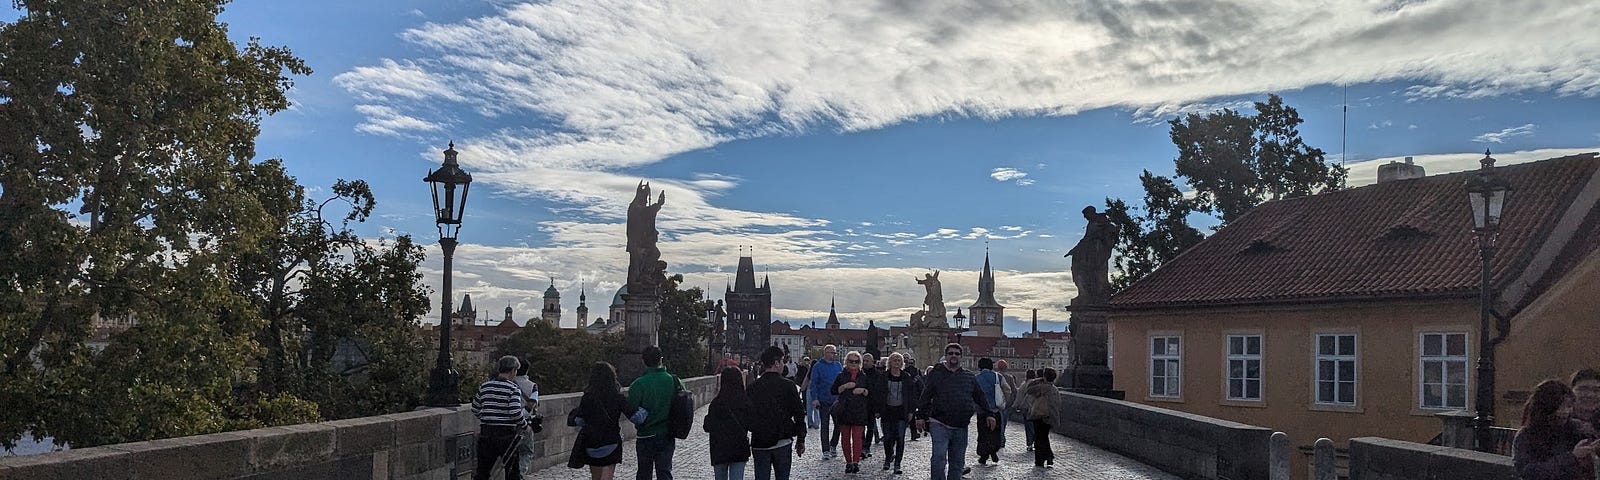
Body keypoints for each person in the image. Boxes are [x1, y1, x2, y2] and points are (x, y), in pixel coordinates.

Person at [916, 343, 995, 480]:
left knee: (957, 462)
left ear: (961, 357)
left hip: (961, 425)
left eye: (957, 354)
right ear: (946, 356)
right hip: (939, 423)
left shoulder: (969, 376)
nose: (954, 356)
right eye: (950, 353)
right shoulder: (936, 374)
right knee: (939, 458)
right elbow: (926, 395)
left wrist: (989, 414)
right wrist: (920, 416)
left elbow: (980, 397)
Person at [569, 362, 648, 480]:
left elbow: (580, 420)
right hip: (611, 442)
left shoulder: (588, 397)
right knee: (607, 477)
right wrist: (646, 409)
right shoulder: (617, 397)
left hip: (591, 442)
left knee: (596, 477)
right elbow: (636, 418)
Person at [1513, 379, 1597, 479]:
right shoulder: (1526, 435)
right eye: (1560, 407)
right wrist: (1572, 457)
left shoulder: (1575, 428)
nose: (1566, 412)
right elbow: (1528, 472)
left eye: (1569, 406)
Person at [748, 346, 807, 480]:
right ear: (776, 363)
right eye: (782, 361)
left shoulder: (753, 387)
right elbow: (799, 413)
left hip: (759, 442)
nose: (783, 365)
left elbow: (747, 416)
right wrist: (801, 439)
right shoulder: (788, 385)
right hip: (783, 439)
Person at [629, 346, 686, 480]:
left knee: (643, 473)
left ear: (643, 361)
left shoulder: (638, 384)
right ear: (661, 359)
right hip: (666, 434)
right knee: (664, 472)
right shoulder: (674, 381)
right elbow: (683, 404)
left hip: (645, 435)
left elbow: (631, 412)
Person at [472, 355, 530, 480]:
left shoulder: (485, 386)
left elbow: (475, 408)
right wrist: (524, 424)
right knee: (512, 471)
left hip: (486, 433)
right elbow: (515, 413)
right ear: (513, 370)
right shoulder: (513, 389)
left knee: (483, 471)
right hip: (506, 435)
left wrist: (488, 417)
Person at [872, 352, 918, 474]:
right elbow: (878, 393)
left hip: (901, 411)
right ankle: (888, 458)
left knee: (900, 438)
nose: (897, 362)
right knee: (887, 438)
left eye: (899, 360)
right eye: (894, 360)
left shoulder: (906, 377)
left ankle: (898, 463)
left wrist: (911, 411)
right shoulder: (883, 377)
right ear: (890, 362)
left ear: (902, 363)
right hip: (887, 410)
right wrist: (877, 410)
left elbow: (912, 396)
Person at [705, 367, 752, 480]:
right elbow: (751, 424)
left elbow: (707, 426)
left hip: (719, 449)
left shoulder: (716, 403)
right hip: (738, 448)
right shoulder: (744, 401)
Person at [830, 351, 872, 473]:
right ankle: (848, 462)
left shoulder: (864, 376)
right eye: (851, 361)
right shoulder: (841, 376)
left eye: (856, 361)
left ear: (860, 363)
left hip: (859, 410)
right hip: (845, 409)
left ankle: (855, 462)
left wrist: (863, 390)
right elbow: (833, 390)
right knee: (845, 438)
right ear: (846, 362)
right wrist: (844, 387)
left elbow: (870, 392)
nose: (853, 364)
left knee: (858, 437)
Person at [807, 344, 844, 459]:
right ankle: (826, 450)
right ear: (826, 353)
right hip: (824, 399)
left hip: (837, 400)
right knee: (825, 425)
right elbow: (813, 383)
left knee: (839, 425)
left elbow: (842, 380)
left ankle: (833, 445)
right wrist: (815, 398)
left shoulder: (838, 365)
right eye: (832, 352)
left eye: (835, 352)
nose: (834, 354)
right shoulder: (818, 366)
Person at [1024, 368, 1061, 467]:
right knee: (1044, 437)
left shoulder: (1041, 387)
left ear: (1044, 377)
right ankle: (1047, 458)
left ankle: (1043, 459)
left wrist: (1036, 380)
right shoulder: (1055, 389)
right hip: (1050, 416)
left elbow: (1028, 390)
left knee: (1039, 438)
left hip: (1040, 415)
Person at [973, 358, 1004, 465]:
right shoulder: (998, 377)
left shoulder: (976, 378)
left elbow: (972, 395)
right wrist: (1003, 404)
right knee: (995, 432)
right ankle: (993, 450)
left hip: (982, 411)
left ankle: (983, 455)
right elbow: (1007, 391)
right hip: (995, 410)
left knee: (983, 433)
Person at [513, 357, 541, 473]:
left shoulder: (509, 383)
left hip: (508, 422)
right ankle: (520, 473)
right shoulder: (532, 385)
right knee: (526, 451)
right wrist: (522, 416)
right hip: (525, 423)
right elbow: (532, 404)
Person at [859, 352, 880, 459]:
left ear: (872, 362)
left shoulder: (877, 374)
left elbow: (878, 391)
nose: (865, 363)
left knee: (870, 427)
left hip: (871, 404)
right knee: (861, 426)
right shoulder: (859, 372)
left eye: (868, 361)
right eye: (864, 361)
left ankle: (867, 446)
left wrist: (878, 408)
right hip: (860, 404)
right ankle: (861, 446)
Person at [1570, 369, 1600, 434]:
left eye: (1596, 390)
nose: (1589, 395)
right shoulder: (1559, 422)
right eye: (1583, 389)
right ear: (1570, 392)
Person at [1021, 369, 1038, 449]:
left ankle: (1030, 444)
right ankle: (1036, 442)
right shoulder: (1037, 384)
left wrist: (1015, 406)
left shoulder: (1024, 384)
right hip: (1036, 408)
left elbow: (1019, 396)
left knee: (1029, 427)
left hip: (1027, 408)